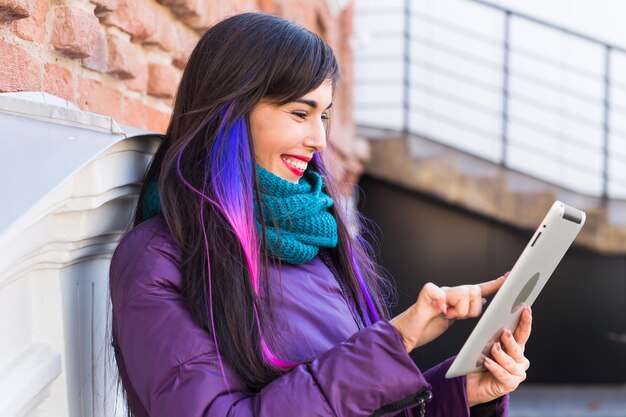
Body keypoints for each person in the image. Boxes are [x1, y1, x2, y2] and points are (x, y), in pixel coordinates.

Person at [109, 12, 532, 417]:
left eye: (325, 116)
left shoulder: (312, 239)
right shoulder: (157, 259)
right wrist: (396, 340)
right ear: (230, 111)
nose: (318, 139)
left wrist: (464, 392)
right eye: (300, 113)